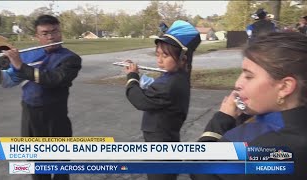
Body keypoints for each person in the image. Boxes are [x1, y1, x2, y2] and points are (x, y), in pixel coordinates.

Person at [191, 32, 307, 180]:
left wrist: (221, 120)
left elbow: (201, 170)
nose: (238, 84)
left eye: (249, 76)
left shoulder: (254, 143)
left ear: (285, 87)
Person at [0, 14, 82, 180]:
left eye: (55, 32)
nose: (51, 37)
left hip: (56, 116)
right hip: (30, 116)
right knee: (37, 167)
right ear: (37, 36)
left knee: (60, 167)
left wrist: (20, 66)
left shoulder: (71, 59)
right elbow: (8, 81)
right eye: (45, 34)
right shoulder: (28, 56)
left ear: (60, 32)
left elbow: (54, 80)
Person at [124, 20, 201, 180]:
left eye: (165, 55)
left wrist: (132, 77)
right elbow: (160, 92)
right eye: (157, 54)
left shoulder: (170, 83)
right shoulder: (177, 75)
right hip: (166, 139)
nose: (159, 60)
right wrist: (149, 84)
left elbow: (140, 101)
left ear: (183, 58)